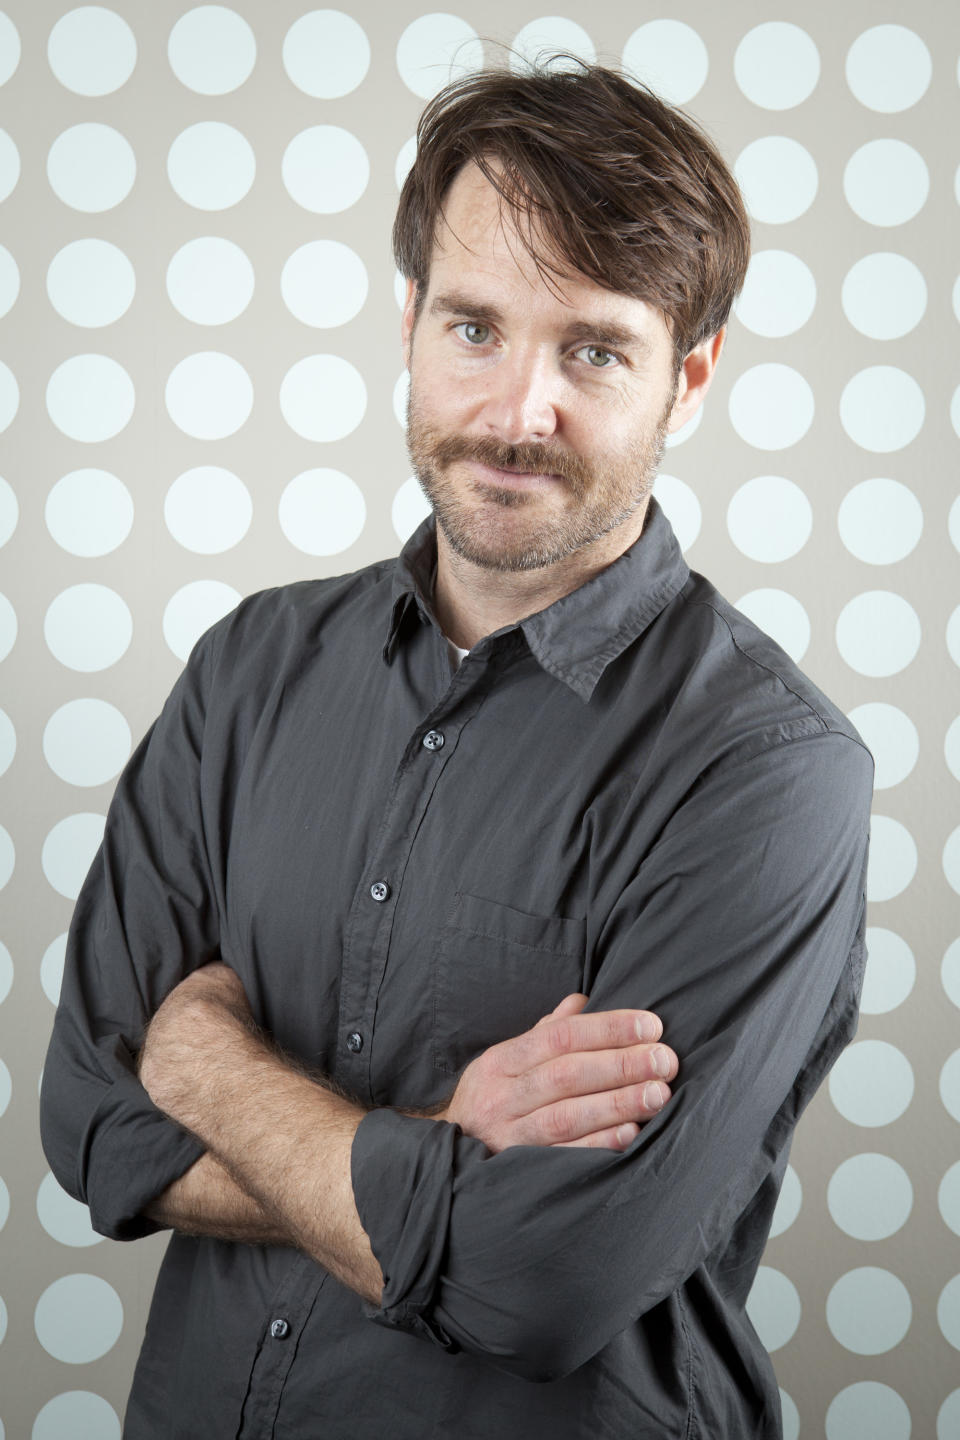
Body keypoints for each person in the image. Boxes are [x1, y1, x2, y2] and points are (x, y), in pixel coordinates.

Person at [41, 61, 873, 1439]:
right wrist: (445, 1151)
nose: (516, 411)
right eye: (476, 329)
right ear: (410, 320)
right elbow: (90, 1126)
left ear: (691, 378)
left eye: (594, 350)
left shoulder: (768, 772)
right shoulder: (252, 669)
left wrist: (207, 1065)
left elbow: (540, 1279)